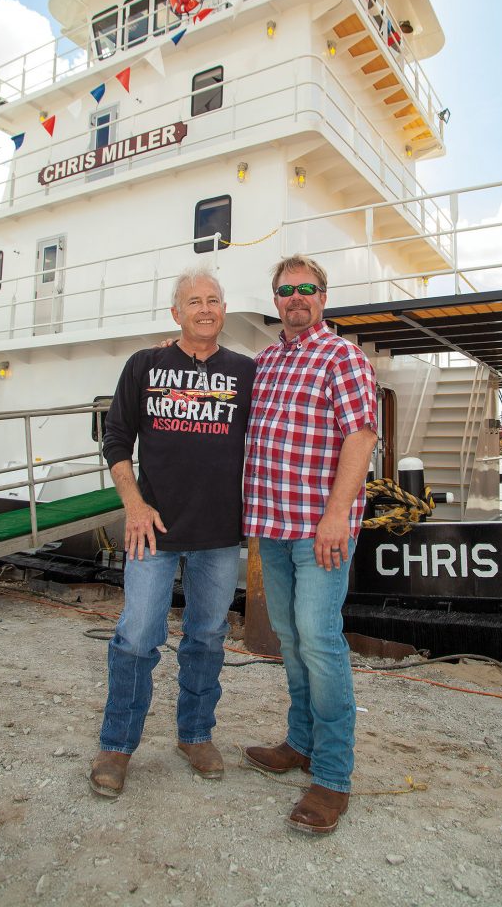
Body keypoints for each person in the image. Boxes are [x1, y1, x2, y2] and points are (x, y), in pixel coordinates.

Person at [89, 267, 255, 797]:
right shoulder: (144, 365)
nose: (204, 308)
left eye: (213, 299)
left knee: (207, 637)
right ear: (175, 313)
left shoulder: (245, 372)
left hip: (218, 533)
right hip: (151, 530)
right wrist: (133, 506)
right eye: (193, 301)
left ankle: (195, 734)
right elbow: (116, 439)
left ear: (223, 310)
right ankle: (116, 745)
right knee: (137, 636)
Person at [243, 255, 377, 834]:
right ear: (275, 299)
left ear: (323, 296)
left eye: (307, 289)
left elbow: (361, 434)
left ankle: (333, 776)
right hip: (271, 526)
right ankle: (299, 743)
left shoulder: (341, 355)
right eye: (285, 290)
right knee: (292, 639)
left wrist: (337, 516)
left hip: (318, 529)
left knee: (320, 641)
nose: (295, 298)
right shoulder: (265, 361)